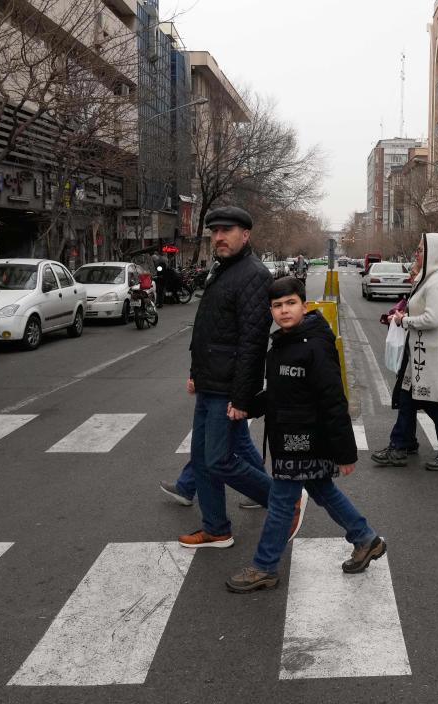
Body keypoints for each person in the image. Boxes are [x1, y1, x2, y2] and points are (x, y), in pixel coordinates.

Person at [226, 277, 385, 592]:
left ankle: (264, 566)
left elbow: (333, 398)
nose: (284, 311)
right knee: (322, 490)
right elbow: (280, 393)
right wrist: (247, 406)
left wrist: (345, 452)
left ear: (305, 305)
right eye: (277, 306)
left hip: (303, 438)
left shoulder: (314, 344)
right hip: (290, 435)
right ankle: (366, 539)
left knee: (282, 500)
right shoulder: (283, 343)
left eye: (290, 303)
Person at [178, 206, 303, 549]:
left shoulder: (253, 274)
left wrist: (242, 397)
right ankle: (216, 528)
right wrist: (194, 372)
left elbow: (252, 340)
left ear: (245, 235)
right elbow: (207, 328)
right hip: (209, 381)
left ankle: (284, 500)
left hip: (226, 387)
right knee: (203, 460)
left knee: (218, 460)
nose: (219, 236)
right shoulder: (222, 269)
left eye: (227, 230)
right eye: (215, 231)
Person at [371, 232, 438, 471]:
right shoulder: (427, 278)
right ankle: (401, 444)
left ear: (434, 253)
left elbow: (432, 319)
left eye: (421, 249)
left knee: (436, 404)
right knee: (407, 397)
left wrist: (404, 321)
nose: (417, 253)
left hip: (434, 353)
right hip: (420, 352)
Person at [158, 425, 264, 510]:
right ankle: (186, 485)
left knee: (232, 441)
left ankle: (264, 491)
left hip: (224, 401)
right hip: (223, 400)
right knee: (228, 440)